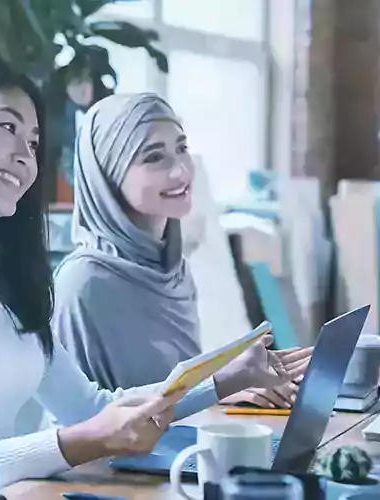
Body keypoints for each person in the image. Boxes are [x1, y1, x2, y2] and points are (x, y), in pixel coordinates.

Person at [0, 53, 305, 490]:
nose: (26, 155)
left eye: (34, 141)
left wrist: (229, 378)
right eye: (6, 127)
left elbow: (91, 408)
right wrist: (80, 442)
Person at [53, 92, 311, 409]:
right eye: (153, 157)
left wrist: (229, 387)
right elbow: (85, 419)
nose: (180, 172)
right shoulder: (83, 284)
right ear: (108, 175)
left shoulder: (173, 268)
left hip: (173, 449)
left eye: (181, 148)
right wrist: (221, 386)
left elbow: (174, 389)